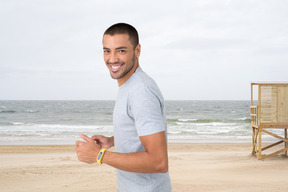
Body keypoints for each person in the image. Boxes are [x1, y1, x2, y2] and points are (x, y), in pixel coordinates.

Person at [76, 23, 172, 192]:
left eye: (121, 50)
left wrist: (99, 156)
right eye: (107, 51)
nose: (112, 59)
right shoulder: (129, 85)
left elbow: (159, 162)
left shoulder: (141, 91)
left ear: (137, 51)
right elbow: (140, 132)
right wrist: (113, 141)